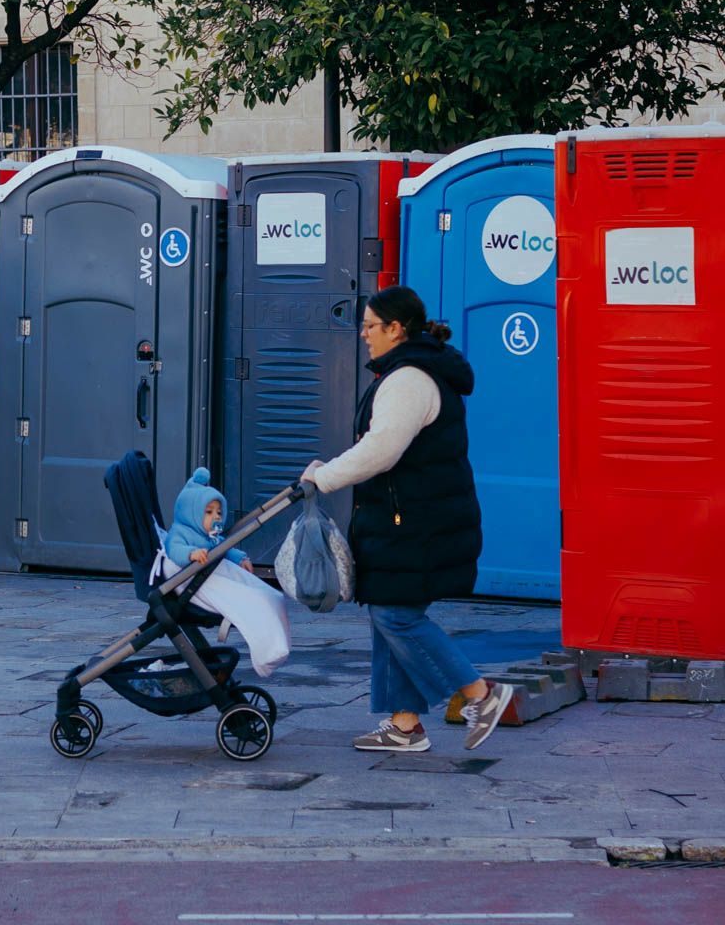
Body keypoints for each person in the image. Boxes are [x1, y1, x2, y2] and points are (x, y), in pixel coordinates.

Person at [302, 286, 513, 752]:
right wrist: (328, 471)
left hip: (415, 521)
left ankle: (482, 693)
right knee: (391, 610)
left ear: (397, 329)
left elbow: (382, 449)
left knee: (395, 615)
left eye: (370, 326)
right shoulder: (410, 372)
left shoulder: (409, 379)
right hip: (412, 516)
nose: (363, 335)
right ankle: (404, 725)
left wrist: (326, 478)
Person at [156, 468, 291, 678]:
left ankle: (275, 645)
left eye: (219, 512)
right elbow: (174, 550)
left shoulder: (209, 536)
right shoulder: (181, 531)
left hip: (211, 573)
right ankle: (268, 652)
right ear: (190, 512)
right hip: (195, 583)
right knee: (256, 600)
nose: (216, 517)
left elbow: (224, 547)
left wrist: (240, 558)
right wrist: (191, 554)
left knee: (271, 595)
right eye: (208, 512)